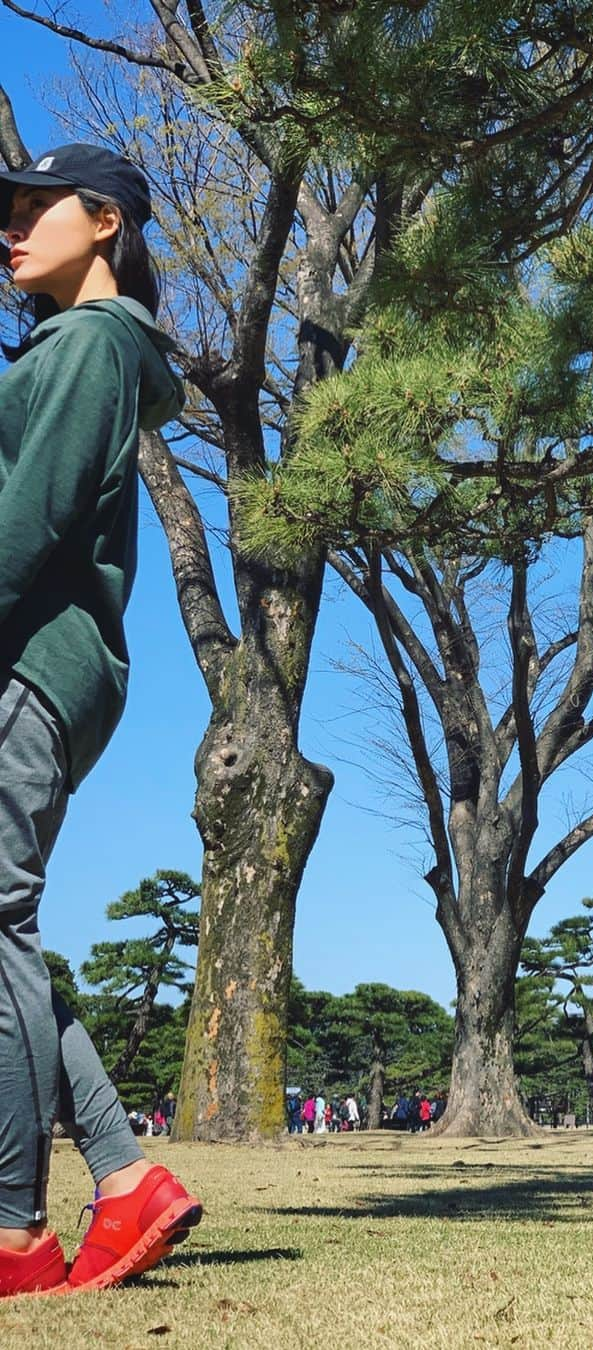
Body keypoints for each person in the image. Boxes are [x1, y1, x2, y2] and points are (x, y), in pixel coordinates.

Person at [0, 143, 201, 1298]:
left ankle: (15, 1235)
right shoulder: (77, 346)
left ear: (107, 220)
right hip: (48, 667)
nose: (13, 227)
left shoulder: (90, 342)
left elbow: (29, 520)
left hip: (28, 661)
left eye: (36, 208)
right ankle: (124, 1180)